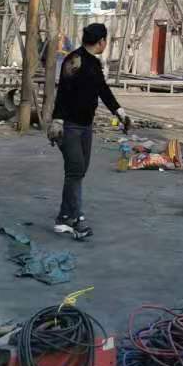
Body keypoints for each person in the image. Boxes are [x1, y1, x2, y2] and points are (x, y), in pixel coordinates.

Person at [46, 23, 132, 240]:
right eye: (106, 41)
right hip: (69, 126)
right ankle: (77, 220)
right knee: (75, 170)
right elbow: (63, 92)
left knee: (79, 171)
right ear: (101, 41)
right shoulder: (74, 60)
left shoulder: (94, 63)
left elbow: (103, 90)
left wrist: (119, 112)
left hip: (85, 126)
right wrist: (57, 120)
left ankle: (64, 218)